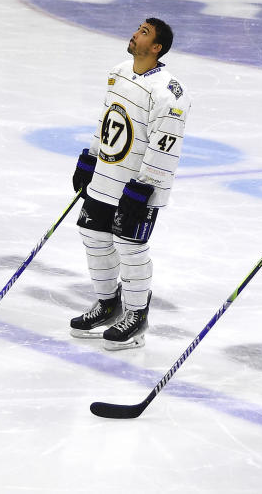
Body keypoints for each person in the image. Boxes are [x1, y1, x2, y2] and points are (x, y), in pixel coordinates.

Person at [69, 18, 190, 350]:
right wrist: (90, 157)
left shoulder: (169, 93)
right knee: (92, 235)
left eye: (144, 33)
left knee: (130, 246)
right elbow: (107, 117)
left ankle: (137, 315)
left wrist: (143, 188)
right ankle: (108, 304)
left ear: (156, 48)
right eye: (138, 28)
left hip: (137, 186)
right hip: (106, 174)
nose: (135, 33)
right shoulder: (120, 71)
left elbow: (165, 146)